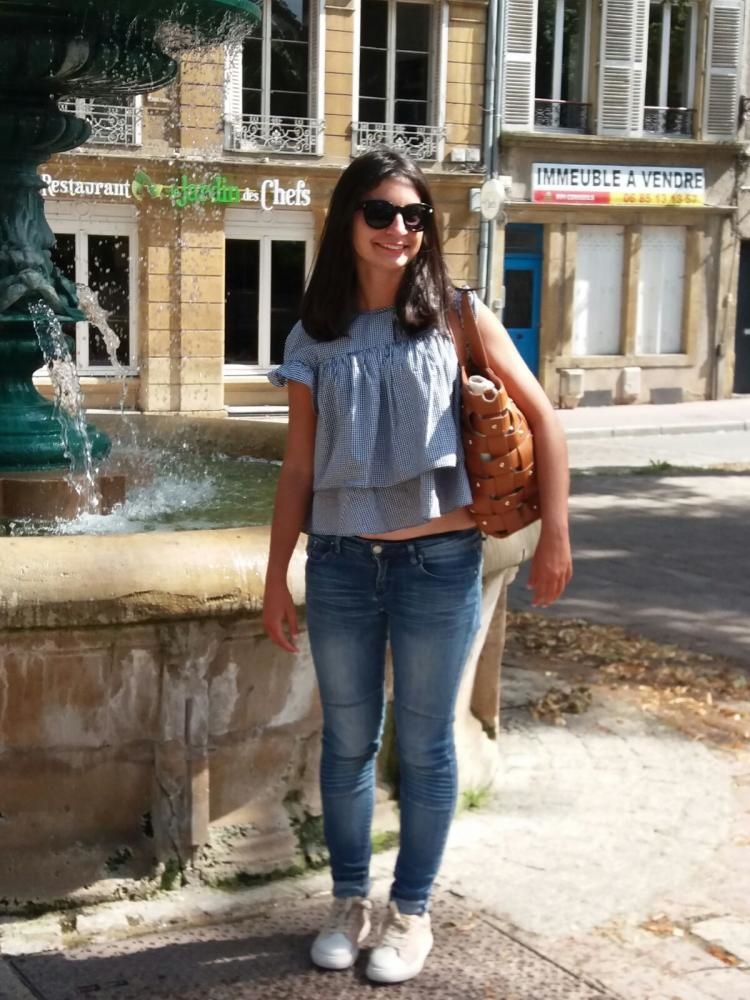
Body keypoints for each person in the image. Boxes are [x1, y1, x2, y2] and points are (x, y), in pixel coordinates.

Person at [263, 148, 572, 984]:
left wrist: (555, 534)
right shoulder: (312, 336)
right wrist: (275, 577)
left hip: (439, 562)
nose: (399, 228)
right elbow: (298, 468)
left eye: (414, 215)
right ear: (347, 221)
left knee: (429, 745)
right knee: (347, 744)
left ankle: (410, 911)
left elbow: (543, 418)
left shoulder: (457, 315)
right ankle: (349, 902)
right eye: (380, 212)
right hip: (339, 565)